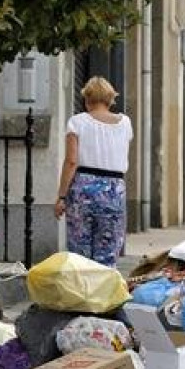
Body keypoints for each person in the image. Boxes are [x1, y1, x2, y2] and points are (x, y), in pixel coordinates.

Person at [54, 76, 133, 267]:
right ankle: (103, 293)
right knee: (108, 250)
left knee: (80, 251)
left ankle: (82, 293)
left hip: (83, 189)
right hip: (114, 190)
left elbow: (71, 161)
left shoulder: (77, 122)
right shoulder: (125, 123)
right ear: (110, 98)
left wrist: (61, 197)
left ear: (87, 99)